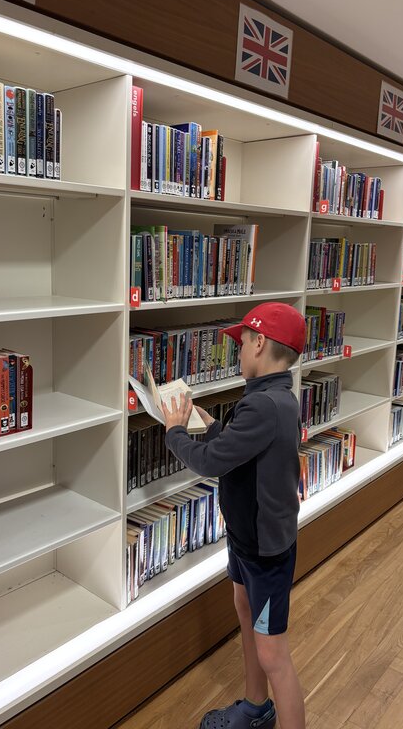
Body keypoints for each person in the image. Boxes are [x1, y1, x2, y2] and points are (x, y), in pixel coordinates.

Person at [162, 302, 306, 729]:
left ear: (260, 344)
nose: (238, 352)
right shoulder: (271, 397)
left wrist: (173, 431)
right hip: (247, 539)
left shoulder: (264, 405)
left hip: (265, 551)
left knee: (272, 653)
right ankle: (255, 706)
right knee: (245, 615)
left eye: (241, 344)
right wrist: (214, 427)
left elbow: (210, 463)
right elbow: (247, 453)